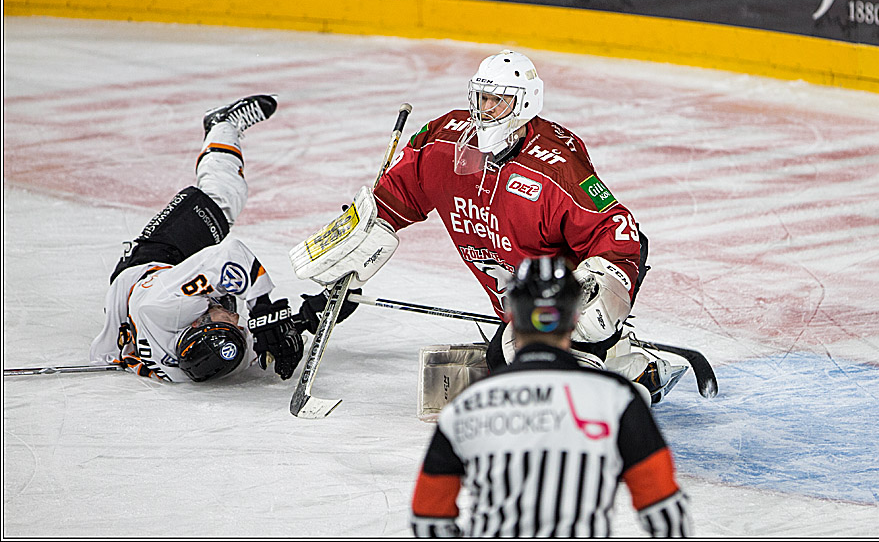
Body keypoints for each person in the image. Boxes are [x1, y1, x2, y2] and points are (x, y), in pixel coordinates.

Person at [293, 50, 679, 402]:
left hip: (561, 293)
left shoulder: (554, 165)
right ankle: (619, 362)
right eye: (482, 98)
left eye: (499, 100)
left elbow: (617, 229)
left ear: (525, 103)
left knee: (539, 386)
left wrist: (600, 285)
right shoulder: (445, 143)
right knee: (508, 368)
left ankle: (627, 373)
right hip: (518, 305)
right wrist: (362, 228)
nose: (486, 109)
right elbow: (397, 195)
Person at [409, 256, 693, 537]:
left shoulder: (467, 405)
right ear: (574, 318)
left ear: (511, 318)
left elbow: (428, 519)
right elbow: (666, 515)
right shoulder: (615, 399)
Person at [89, 95, 330, 383]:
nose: (237, 321)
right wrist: (313, 313)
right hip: (140, 313)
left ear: (197, 321)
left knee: (223, 197)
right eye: (236, 327)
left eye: (227, 322)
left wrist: (263, 307)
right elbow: (255, 344)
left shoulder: (167, 305)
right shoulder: (216, 357)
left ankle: (222, 124)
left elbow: (230, 255)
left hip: (155, 261)